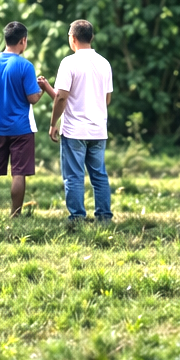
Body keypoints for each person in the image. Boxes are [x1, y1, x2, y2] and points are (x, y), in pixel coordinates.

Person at [0, 21, 53, 218]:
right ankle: (15, 214)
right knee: (18, 173)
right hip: (21, 128)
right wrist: (43, 89)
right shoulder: (25, 66)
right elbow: (32, 98)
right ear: (23, 41)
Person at [49, 19, 114, 224]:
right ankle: (104, 218)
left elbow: (61, 97)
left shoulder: (69, 62)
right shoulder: (104, 63)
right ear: (91, 37)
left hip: (75, 131)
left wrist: (53, 123)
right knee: (99, 176)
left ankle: (77, 218)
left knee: (74, 177)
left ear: (73, 38)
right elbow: (107, 98)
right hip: (98, 130)